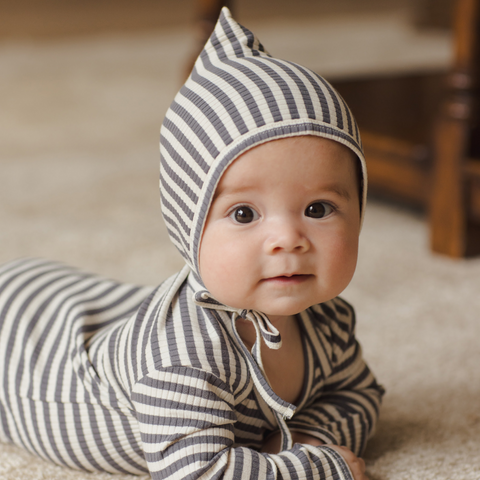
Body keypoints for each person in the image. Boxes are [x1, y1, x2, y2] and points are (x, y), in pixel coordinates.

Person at [0, 8, 384, 480]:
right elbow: (199, 473)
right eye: (244, 214)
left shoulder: (329, 322)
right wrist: (315, 469)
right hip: (20, 340)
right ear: (188, 226)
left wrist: (307, 437)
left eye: (319, 208)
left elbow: (359, 395)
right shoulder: (183, 355)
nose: (288, 239)